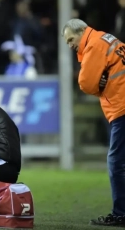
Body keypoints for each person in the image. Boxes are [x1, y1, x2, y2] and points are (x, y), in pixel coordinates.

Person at [62, 18, 125, 227]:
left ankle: (121, 213)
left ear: (82, 32)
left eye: (71, 39)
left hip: (122, 106)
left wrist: (99, 87)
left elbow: (86, 83)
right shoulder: (106, 38)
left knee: (116, 162)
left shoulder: (94, 44)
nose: (70, 45)